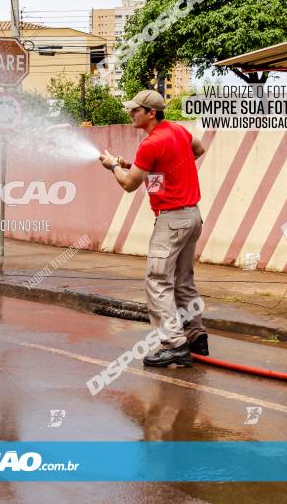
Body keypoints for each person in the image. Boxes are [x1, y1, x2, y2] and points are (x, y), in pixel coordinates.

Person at [98, 89, 207, 367]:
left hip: (171, 220)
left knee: (158, 281)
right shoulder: (178, 130)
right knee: (183, 280)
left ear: (151, 113)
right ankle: (196, 336)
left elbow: (129, 184)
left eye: (135, 110)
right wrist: (165, 170)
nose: (131, 113)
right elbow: (199, 149)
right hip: (192, 216)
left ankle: (174, 344)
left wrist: (112, 167)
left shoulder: (151, 143)